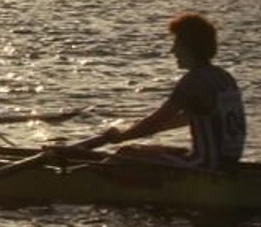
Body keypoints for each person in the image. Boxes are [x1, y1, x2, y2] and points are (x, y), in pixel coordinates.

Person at [102, 12, 246, 172]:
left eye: (177, 44)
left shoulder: (194, 81)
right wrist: (131, 130)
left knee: (126, 153)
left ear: (191, 47)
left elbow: (154, 123)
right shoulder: (224, 77)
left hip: (204, 165)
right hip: (228, 163)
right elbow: (184, 119)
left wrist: (120, 138)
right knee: (145, 149)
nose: (173, 51)